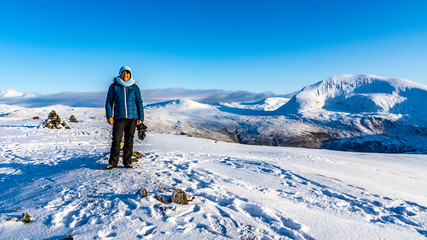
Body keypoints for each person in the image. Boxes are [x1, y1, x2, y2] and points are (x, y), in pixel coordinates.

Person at [105, 66, 144, 169]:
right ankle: (113, 163)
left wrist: (141, 117)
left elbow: (139, 102)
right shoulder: (114, 86)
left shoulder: (134, 87)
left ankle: (127, 162)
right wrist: (109, 116)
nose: (125, 75)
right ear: (120, 74)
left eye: (127, 74)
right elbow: (109, 101)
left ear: (130, 75)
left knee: (129, 140)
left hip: (132, 118)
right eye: (123, 73)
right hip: (119, 117)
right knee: (116, 140)